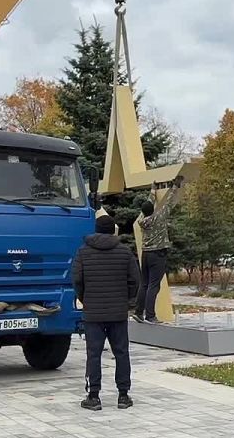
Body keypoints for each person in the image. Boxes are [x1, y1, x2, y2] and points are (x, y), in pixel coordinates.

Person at [72, 214, 141, 411]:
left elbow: (77, 281)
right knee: (121, 353)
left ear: (96, 229)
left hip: (93, 313)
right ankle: (123, 395)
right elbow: (135, 280)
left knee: (93, 354)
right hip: (118, 312)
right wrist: (127, 300)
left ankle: (93, 396)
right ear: (113, 230)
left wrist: (86, 299)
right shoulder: (125, 252)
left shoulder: (83, 253)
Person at [132, 176, 183, 324]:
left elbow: (148, 205)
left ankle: (138, 312)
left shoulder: (142, 220)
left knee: (145, 284)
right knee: (154, 285)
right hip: (157, 254)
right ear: (152, 210)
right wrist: (175, 187)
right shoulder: (158, 218)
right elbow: (169, 203)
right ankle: (150, 315)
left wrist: (153, 190)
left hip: (146, 254)